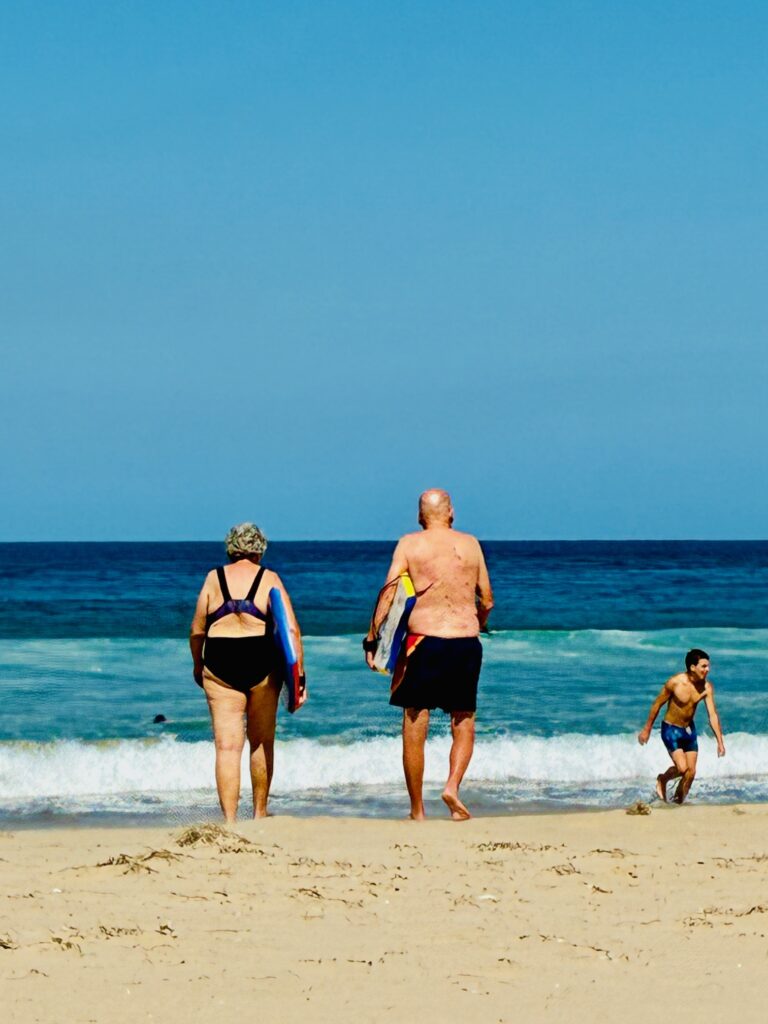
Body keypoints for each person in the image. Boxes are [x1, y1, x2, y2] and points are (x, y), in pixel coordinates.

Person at [364, 489, 494, 821]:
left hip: (422, 643)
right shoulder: (471, 545)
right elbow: (488, 600)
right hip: (465, 642)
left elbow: (390, 591)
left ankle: (417, 810)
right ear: (452, 512)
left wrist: (372, 638)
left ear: (420, 516)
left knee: (415, 723)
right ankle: (452, 786)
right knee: (463, 721)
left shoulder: (410, 544)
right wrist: (476, 624)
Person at [190, 522, 305, 821]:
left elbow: (197, 630)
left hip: (219, 661)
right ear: (260, 548)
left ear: (231, 547)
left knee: (227, 747)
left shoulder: (213, 579)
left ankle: (229, 819)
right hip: (262, 662)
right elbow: (291, 629)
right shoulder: (270, 578)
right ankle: (259, 813)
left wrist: (197, 664)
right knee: (261, 740)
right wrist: (299, 676)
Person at [637, 648, 725, 804]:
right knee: (682, 768)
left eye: (708, 666)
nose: (707, 670)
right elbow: (657, 704)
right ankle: (663, 779)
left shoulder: (706, 688)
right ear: (692, 667)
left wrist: (720, 741)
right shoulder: (675, 683)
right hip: (671, 729)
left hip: (688, 730)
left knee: (691, 773)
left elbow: (712, 715)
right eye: (703, 666)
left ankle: (677, 803)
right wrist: (647, 729)